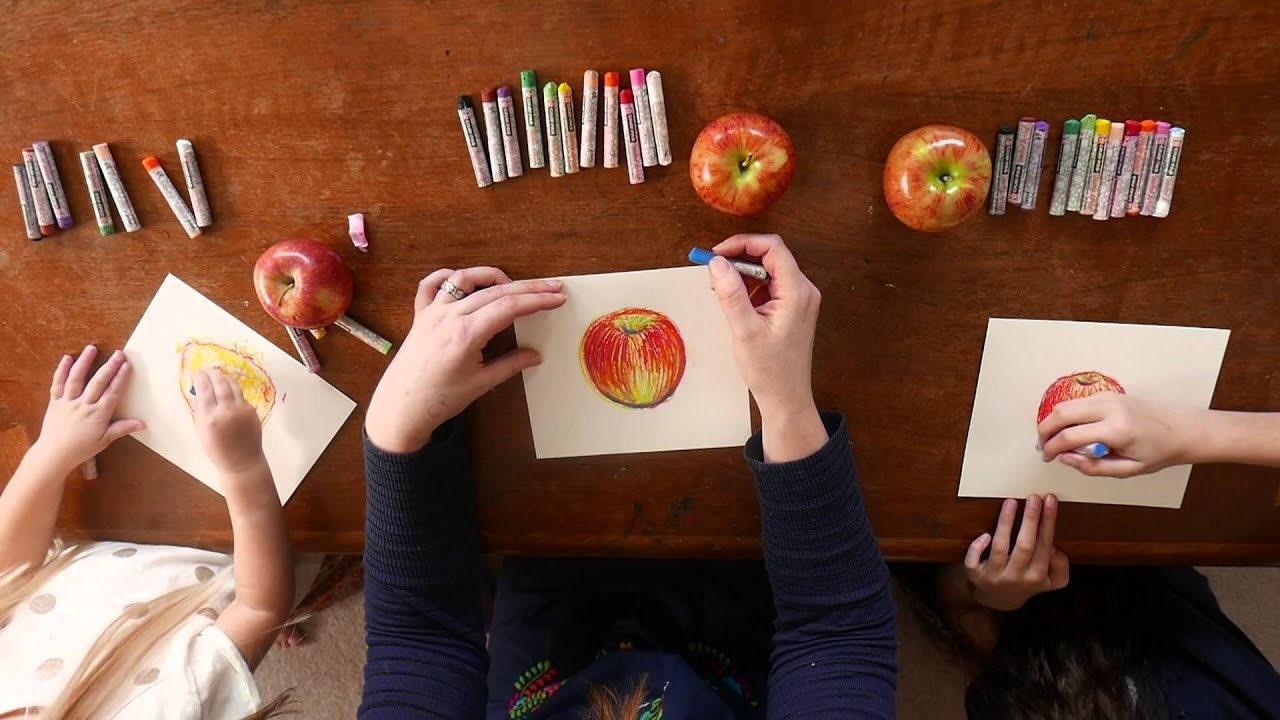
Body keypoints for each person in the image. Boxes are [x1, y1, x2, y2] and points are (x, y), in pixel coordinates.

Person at [358, 234, 898, 718]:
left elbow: (419, 638)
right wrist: (787, 404)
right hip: (737, 602)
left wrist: (398, 420)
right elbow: (837, 634)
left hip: (548, 610)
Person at [894, 393, 1280, 719]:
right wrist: (1195, 433)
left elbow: (956, 604)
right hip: (1138, 558)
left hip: (1032, 633)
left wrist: (988, 594)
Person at [0, 347, 296, 718]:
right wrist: (244, 468)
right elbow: (260, 609)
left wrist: (51, 451)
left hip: (113, 521)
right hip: (251, 542)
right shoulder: (168, 708)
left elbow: (7, 576)